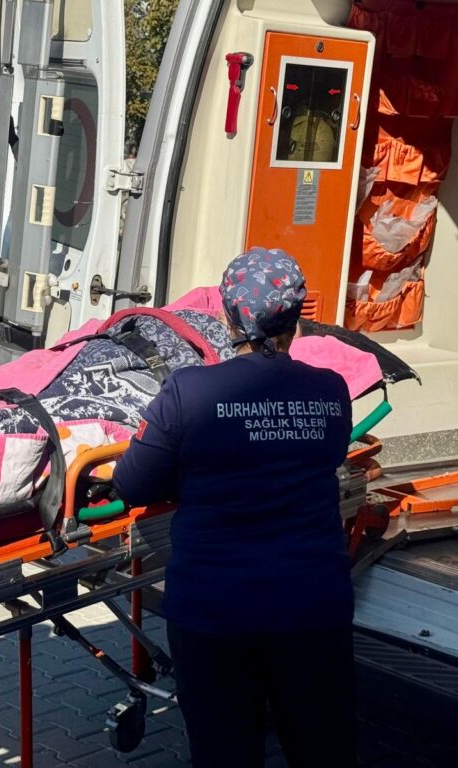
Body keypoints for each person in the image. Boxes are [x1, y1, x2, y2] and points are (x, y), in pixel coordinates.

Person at [112, 248, 356, 768]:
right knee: (322, 751)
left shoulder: (190, 392)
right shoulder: (331, 391)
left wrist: (195, 468)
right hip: (313, 608)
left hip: (215, 611)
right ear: (295, 319)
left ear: (227, 319)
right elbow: (325, 457)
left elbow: (131, 483)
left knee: (225, 755)